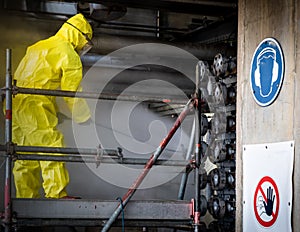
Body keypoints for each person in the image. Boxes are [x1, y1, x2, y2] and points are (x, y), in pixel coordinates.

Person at [11, 13, 93, 198]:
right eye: (85, 42)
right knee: (51, 146)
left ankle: (25, 198)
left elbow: (36, 80)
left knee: (25, 155)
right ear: (79, 34)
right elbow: (71, 92)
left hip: (15, 102)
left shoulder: (38, 46)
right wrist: (83, 117)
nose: (83, 47)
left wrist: (54, 111)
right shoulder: (68, 53)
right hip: (34, 103)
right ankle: (57, 194)